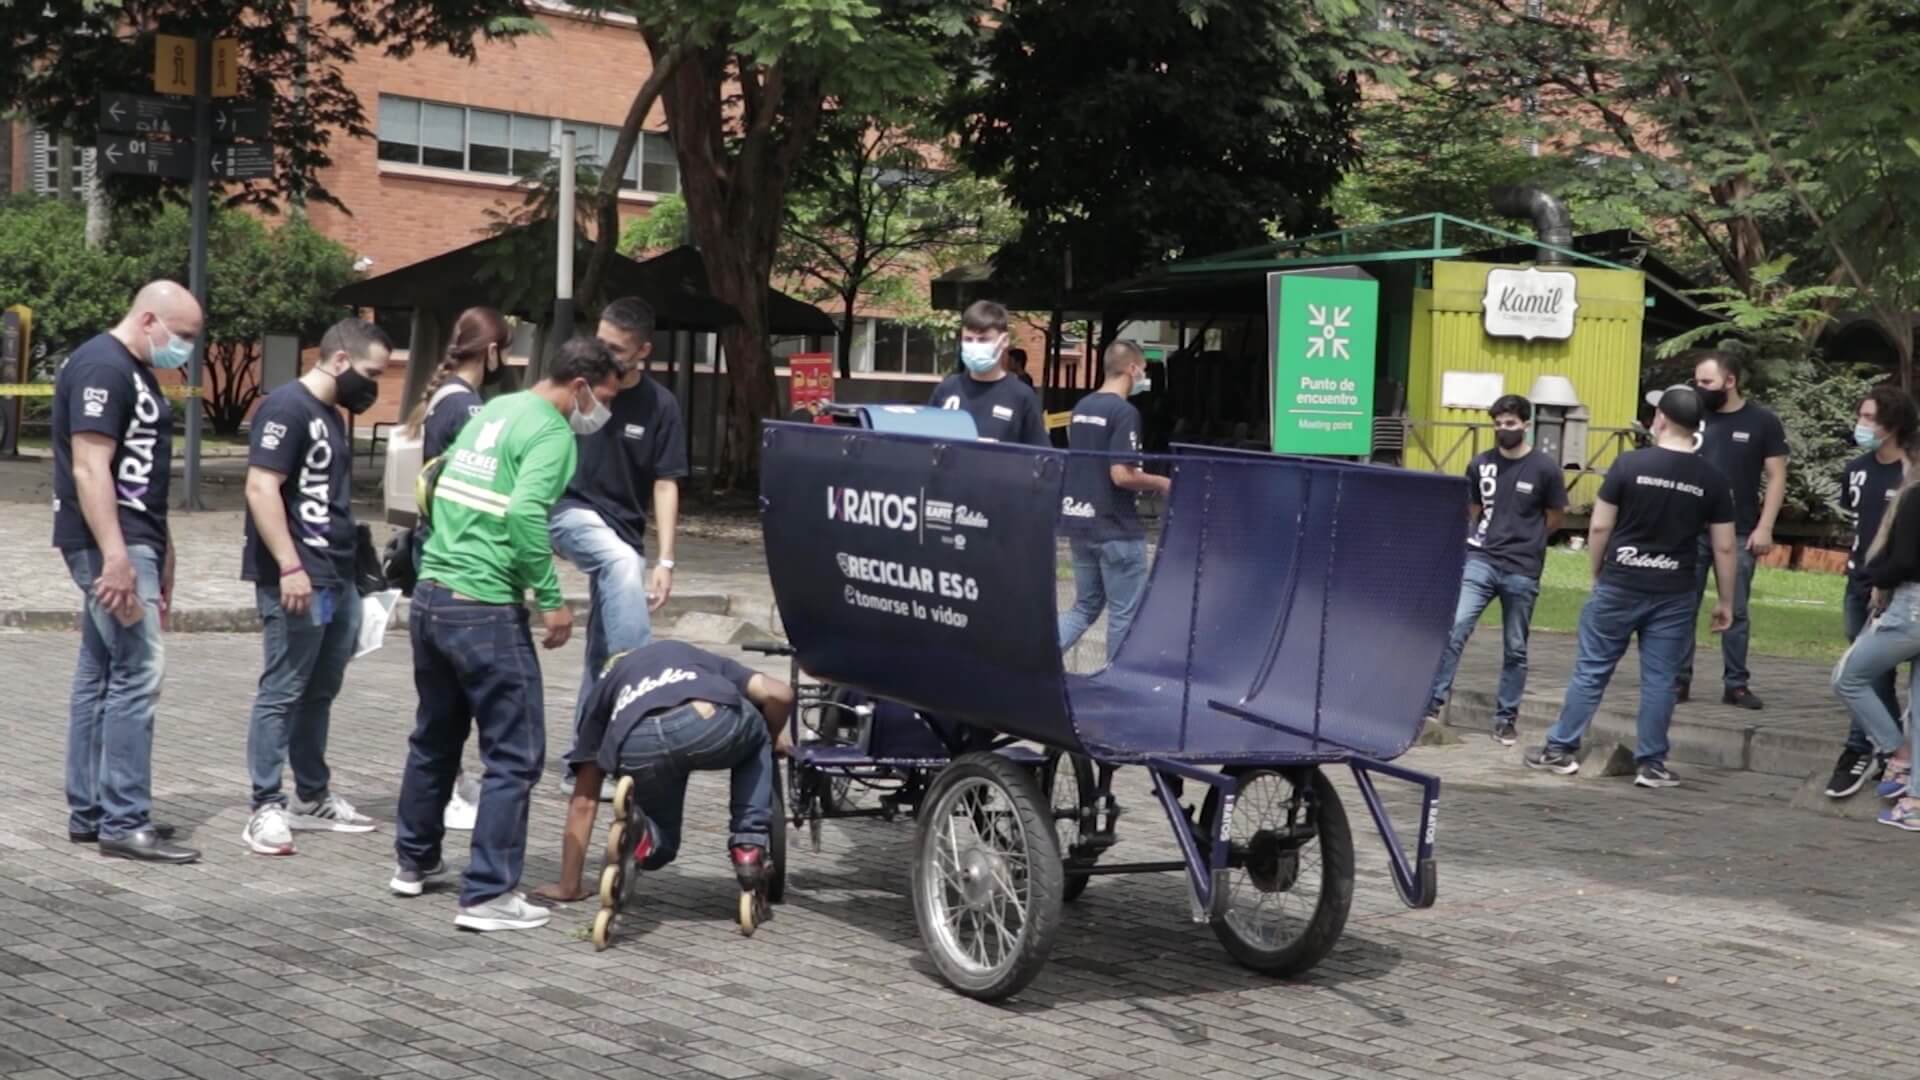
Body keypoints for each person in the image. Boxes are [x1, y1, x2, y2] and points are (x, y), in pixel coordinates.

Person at [389, 336, 623, 932]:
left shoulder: (493, 409)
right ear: (580, 386)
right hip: (486, 608)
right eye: (603, 398)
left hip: (434, 595)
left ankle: (412, 863)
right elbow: (524, 513)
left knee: (435, 737)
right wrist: (551, 600)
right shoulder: (551, 433)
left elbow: (435, 483)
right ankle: (489, 893)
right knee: (515, 755)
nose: (600, 411)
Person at [52, 281, 203, 864]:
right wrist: (116, 555)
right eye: (182, 335)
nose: (185, 348)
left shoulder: (135, 371)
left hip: (132, 540)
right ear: (148, 320)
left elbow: (139, 473)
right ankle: (123, 818)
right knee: (138, 673)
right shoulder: (102, 366)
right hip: (106, 544)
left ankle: (92, 811)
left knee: (100, 673)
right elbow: (92, 468)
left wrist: (162, 548)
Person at [1524, 387, 1737, 789]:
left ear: (1660, 419)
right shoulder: (1712, 478)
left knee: (1592, 670)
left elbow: (1601, 525)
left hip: (1621, 582)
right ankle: (1652, 763)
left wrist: (1597, 571)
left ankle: (1560, 749)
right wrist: (1726, 600)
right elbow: (1724, 545)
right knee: (1660, 679)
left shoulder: (1628, 464)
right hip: (1675, 589)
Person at [238, 319, 392, 855]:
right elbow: (262, 487)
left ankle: (311, 794)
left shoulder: (330, 415)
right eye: (371, 371)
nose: (373, 384)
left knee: (320, 690)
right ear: (342, 361)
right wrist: (288, 565)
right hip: (299, 575)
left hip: (337, 574)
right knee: (282, 689)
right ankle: (265, 805)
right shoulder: (287, 407)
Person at [532, 642, 795, 924]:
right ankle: (748, 846)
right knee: (759, 737)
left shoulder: (603, 692)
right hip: (706, 720)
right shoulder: (693, 655)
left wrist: (568, 885)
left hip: (637, 741)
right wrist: (773, 734)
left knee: (662, 847)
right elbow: (779, 693)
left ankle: (645, 835)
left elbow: (583, 801)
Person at [549, 297, 689, 797]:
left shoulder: (660, 406)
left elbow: (666, 483)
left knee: (599, 656)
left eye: (616, 349)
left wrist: (667, 560)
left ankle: (583, 766)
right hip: (568, 513)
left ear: (643, 350)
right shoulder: (582, 389)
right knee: (620, 563)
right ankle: (642, 680)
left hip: (624, 533)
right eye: (600, 342)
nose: (603, 355)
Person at [398, 306, 515, 831]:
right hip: (457, 563)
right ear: (491, 351)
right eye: (505, 350)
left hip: (432, 555)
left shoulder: (443, 400)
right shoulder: (467, 409)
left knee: (439, 703)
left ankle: (445, 791)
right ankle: (448, 791)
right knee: (452, 703)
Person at [1425, 395, 1569, 745]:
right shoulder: (1480, 463)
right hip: (1482, 558)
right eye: (1498, 424)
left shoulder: (1545, 468)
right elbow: (1472, 507)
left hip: (1522, 565)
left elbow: (1555, 516)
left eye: (1509, 424)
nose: (1502, 430)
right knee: (1456, 626)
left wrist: (1531, 540)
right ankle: (1432, 704)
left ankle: (1506, 717)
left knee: (1515, 646)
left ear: (1525, 424)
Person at [1680, 350, 1788, 709]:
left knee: (1736, 609)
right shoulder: (1692, 417)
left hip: (1740, 530)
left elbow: (1776, 476)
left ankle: (1736, 683)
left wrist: (1765, 526)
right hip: (1689, 528)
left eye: (1707, 382)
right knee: (1682, 606)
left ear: (1731, 381)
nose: (1700, 388)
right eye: (1697, 381)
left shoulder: (1762, 422)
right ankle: (1678, 679)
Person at [1825, 385, 1918, 798]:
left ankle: (1877, 751)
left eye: (1869, 418)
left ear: (1892, 424)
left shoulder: (1912, 473)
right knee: (1869, 670)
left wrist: (1885, 579)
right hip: (1860, 581)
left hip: (1898, 589)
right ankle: (1884, 751)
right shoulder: (1858, 469)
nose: (1860, 425)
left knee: (1856, 673)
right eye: (1859, 415)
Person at [1056, 341, 1170, 661]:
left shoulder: (1081, 409)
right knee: (1124, 615)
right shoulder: (1124, 412)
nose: (1143, 378)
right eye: (1143, 370)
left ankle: (1036, 661)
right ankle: (1116, 680)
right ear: (1132, 369)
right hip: (1117, 528)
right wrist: (1162, 482)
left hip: (1081, 524)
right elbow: (1121, 474)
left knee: (1084, 607)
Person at [929, 300, 1047, 446]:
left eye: (983, 340)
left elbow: (1040, 456)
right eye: (968, 339)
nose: (974, 346)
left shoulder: (1022, 397)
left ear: (1004, 341)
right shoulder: (947, 389)